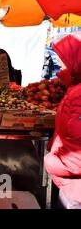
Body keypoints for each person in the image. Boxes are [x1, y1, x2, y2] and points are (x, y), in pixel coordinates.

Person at [44, 33, 81, 209]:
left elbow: (78, 154)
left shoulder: (78, 95)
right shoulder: (74, 89)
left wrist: (52, 162)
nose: (60, 63)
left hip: (76, 190)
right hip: (70, 185)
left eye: (65, 60)